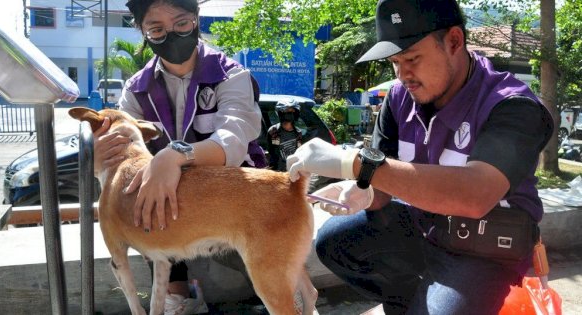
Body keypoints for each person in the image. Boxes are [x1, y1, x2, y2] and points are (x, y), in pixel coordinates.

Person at [286, 0, 554, 314]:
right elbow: (383, 183)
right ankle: (407, 302)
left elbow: (476, 195)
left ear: (454, 41)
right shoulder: (400, 98)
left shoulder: (511, 106)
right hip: (422, 227)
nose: (403, 75)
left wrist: (355, 163)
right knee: (334, 241)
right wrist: (363, 191)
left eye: (412, 59)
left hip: (485, 248)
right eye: (395, 63)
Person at [92, 0, 266, 314]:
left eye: (181, 24)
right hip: (170, 199)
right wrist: (102, 154)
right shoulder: (136, 90)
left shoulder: (231, 75)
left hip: (233, 193)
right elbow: (122, 152)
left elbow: (233, 142)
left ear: (196, 20)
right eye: (156, 29)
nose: (171, 36)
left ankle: (286, 291)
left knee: (261, 255)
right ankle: (176, 296)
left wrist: (175, 154)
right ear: (143, 33)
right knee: (138, 195)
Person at [267, 98, 303, 171]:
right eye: (287, 111)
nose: (289, 114)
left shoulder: (298, 132)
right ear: (281, 113)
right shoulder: (273, 131)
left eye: (292, 111)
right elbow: (272, 151)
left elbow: (299, 152)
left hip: (292, 171)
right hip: (277, 172)